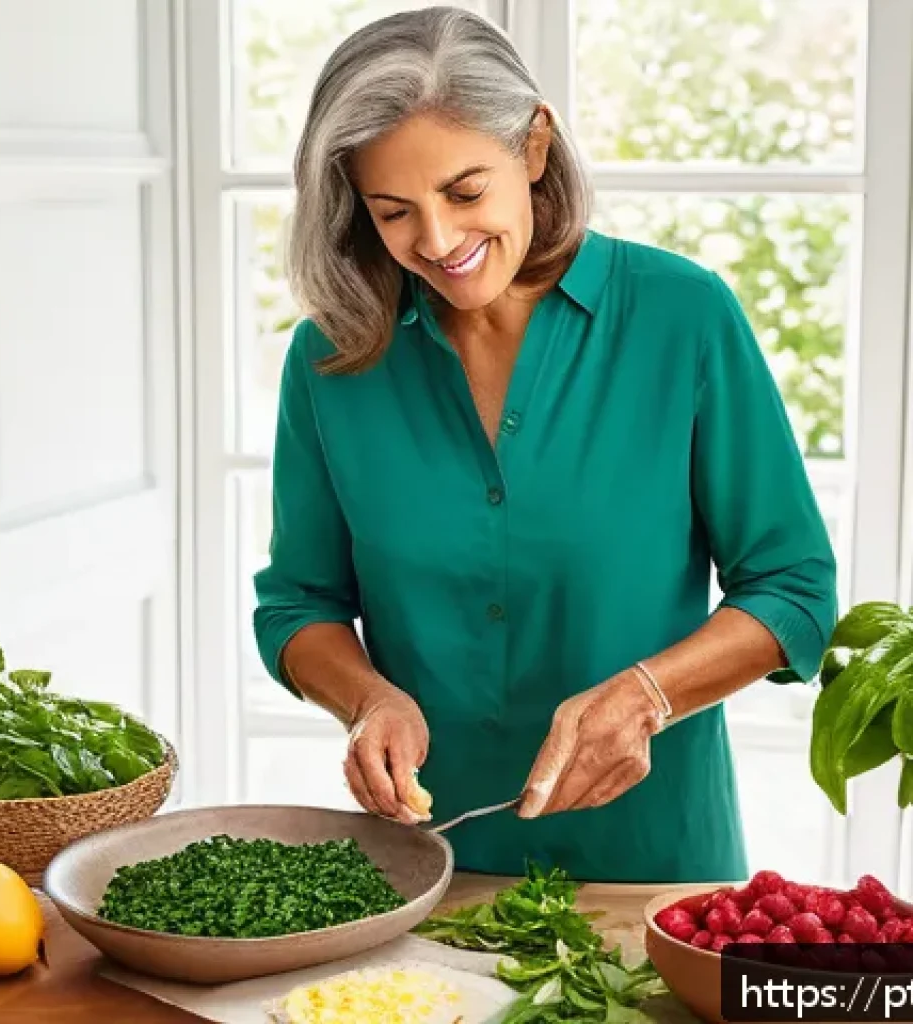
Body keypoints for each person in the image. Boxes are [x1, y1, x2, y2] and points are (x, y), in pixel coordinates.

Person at [252, 6, 837, 883]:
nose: (438, 242)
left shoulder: (682, 316)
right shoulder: (333, 357)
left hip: (654, 866)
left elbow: (793, 590)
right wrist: (366, 698)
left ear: (532, 147)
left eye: (464, 191)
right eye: (392, 211)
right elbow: (298, 604)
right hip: (427, 869)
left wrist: (648, 696)